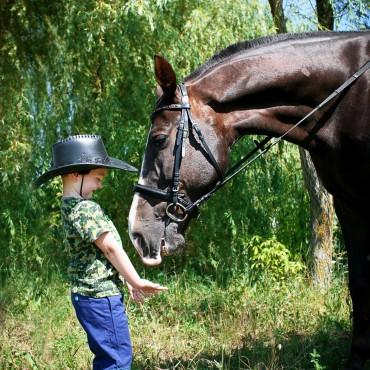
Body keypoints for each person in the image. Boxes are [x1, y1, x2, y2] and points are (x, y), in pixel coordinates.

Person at [35, 134, 167, 370]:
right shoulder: (86, 209)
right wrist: (136, 280)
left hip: (85, 296)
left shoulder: (69, 208)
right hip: (101, 297)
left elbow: (97, 254)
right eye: (98, 178)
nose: (100, 184)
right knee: (117, 360)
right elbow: (109, 247)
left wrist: (124, 280)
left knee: (107, 357)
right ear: (77, 174)